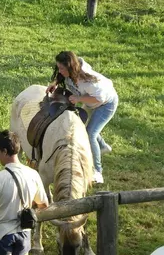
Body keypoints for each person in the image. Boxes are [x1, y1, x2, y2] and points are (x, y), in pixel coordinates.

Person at [46, 51, 118, 184]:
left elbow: (99, 98)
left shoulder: (89, 82)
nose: (60, 71)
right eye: (59, 68)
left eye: (62, 68)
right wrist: (55, 82)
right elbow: (62, 76)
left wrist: (79, 98)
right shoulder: (70, 72)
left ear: (70, 67)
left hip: (106, 104)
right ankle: (102, 146)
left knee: (90, 133)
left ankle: (97, 172)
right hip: (91, 102)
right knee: (87, 130)